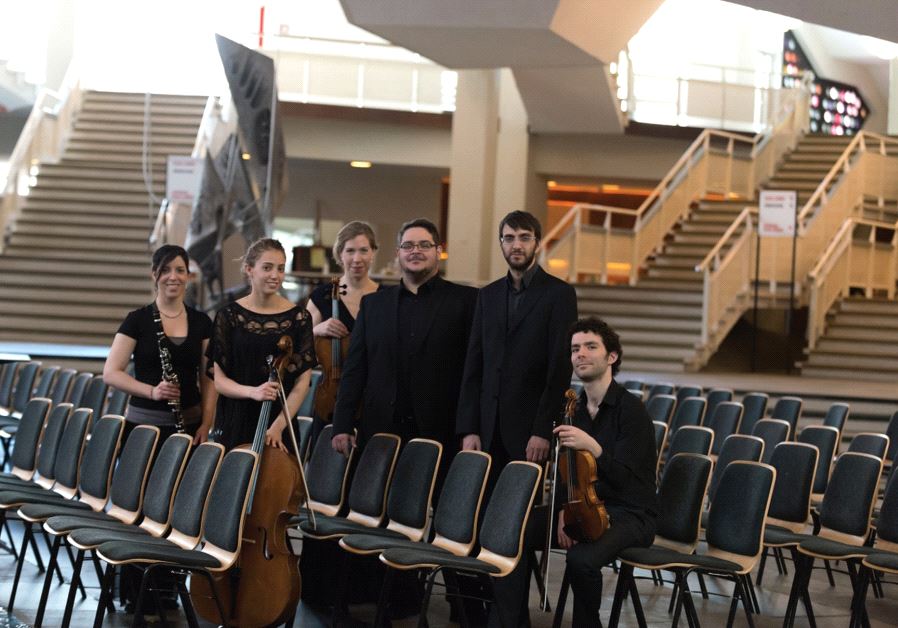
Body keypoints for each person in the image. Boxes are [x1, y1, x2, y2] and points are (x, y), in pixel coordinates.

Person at [456, 210, 577, 627]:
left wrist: (543, 430)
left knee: (514, 527)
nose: (516, 245)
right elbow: (473, 364)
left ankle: (509, 619)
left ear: (538, 243)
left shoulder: (559, 294)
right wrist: (469, 427)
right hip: (487, 432)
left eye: (524, 237)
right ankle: (492, 611)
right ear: (501, 243)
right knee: (486, 525)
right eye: (509, 238)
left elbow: (559, 370)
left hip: (528, 435)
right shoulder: (487, 295)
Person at [332, 217, 477, 455]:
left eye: (424, 245)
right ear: (398, 253)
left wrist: (470, 429)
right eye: (408, 246)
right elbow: (355, 369)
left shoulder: (466, 301)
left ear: (438, 251)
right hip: (380, 431)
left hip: (441, 432)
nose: (415, 251)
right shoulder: (373, 305)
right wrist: (342, 424)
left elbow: (474, 373)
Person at [554, 317, 658, 626]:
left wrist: (593, 446)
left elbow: (625, 478)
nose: (580, 354)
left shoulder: (632, 410)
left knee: (582, 559)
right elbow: (566, 473)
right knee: (514, 533)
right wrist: (562, 510)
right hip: (584, 507)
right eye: (575, 349)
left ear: (611, 357)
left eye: (590, 347)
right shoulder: (574, 410)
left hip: (632, 513)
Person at [206, 238, 316, 452]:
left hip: (278, 426)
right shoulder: (228, 316)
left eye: (280, 269)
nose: (275, 275)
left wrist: (278, 427)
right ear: (249, 269)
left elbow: (302, 383)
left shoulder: (299, 318)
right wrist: (253, 392)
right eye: (267, 268)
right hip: (236, 421)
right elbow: (219, 381)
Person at [104, 244, 216, 444]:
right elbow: (111, 373)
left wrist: (206, 423)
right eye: (165, 270)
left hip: (190, 427)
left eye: (180, 270)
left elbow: (208, 379)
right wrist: (152, 392)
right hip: (143, 429)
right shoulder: (137, 320)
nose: (173, 277)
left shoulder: (202, 322)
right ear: (154, 274)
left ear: (188, 276)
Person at [305, 221, 381, 438]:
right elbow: (297, 344)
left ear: (373, 253)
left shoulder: (386, 297)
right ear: (340, 254)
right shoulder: (322, 296)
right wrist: (316, 330)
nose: (357, 258)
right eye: (350, 251)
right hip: (332, 396)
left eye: (364, 250)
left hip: (373, 395)